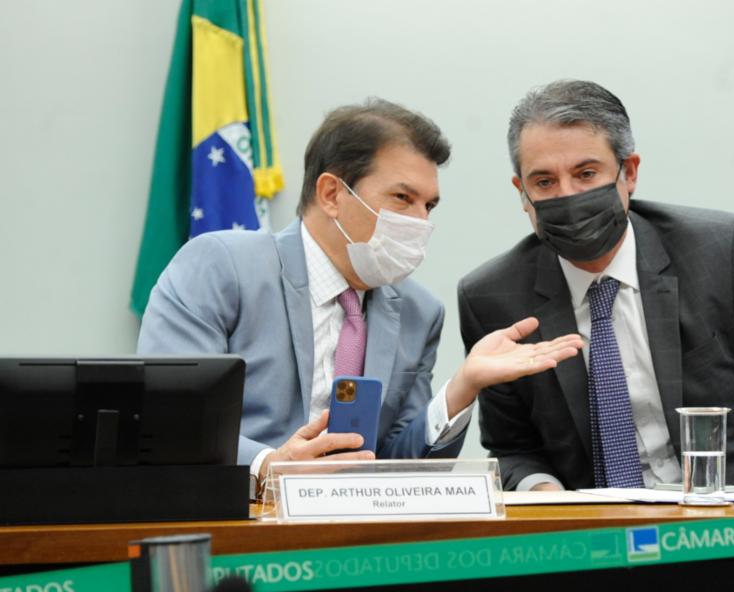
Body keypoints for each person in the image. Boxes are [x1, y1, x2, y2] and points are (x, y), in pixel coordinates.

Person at [139, 98, 582, 497]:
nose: (420, 221)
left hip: (355, 542)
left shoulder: (419, 311)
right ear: (332, 194)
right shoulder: (222, 266)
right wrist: (266, 467)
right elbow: (167, 415)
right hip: (235, 521)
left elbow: (398, 466)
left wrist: (462, 388)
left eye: (429, 206)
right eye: (402, 198)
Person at [458, 80, 734, 491]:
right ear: (522, 192)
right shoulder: (491, 296)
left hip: (733, 527)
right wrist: (541, 490)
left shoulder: (721, 252)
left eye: (586, 174)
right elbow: (513, 448)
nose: (568, 196)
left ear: (630, 173)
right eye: (545, 182)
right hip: (595, 538)